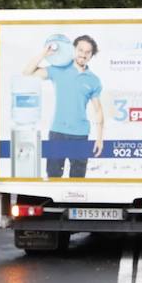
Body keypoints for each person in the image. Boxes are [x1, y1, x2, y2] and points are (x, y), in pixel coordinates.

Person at [23, 35, 103, 178]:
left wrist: (99, 138)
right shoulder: (58, 69)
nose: (83, 54)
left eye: (87, 52)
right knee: (53, 177)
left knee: (78, 180)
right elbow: (27, 73)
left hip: (80, 134)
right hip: (57, 132)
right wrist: (44, 53)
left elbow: (98, 110)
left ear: (91, 55)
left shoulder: (94, 80)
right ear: (74, 50)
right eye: (80, 50)